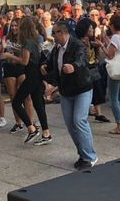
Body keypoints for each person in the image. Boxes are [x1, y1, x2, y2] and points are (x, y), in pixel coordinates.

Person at [41, 21, 98, 170]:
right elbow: (52, 62)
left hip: (82, 88)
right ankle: (83, 154)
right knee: (71, 124)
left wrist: (74, 66)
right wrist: (45, 67)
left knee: (79, 120)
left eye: (54, 32)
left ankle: (90, 156)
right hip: (67, 91)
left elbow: (82, 59)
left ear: (62, 32)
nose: (52, 35)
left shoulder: (77, 44)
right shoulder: (57, 48)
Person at [1, 16, 52, 145]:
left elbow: (24, 61)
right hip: (36, 74)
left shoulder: (27, 42)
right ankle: (46, 133)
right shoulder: (34, 40)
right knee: (38, 103)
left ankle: (31, 128)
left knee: (16, 101)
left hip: (31, 74)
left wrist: (9, 55)